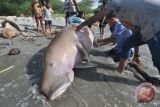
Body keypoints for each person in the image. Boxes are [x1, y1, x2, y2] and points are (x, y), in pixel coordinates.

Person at [76, 0, 160, 76]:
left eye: (105, 5)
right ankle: (120, 70)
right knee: (126, 44)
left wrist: (82, 25)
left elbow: (100, 15)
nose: (105, 7)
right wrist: (137, 55)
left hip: (155, 27)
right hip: (146, 28)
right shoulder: (124, 14)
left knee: (158, 61)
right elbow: (135, 32)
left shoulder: (116, 1)